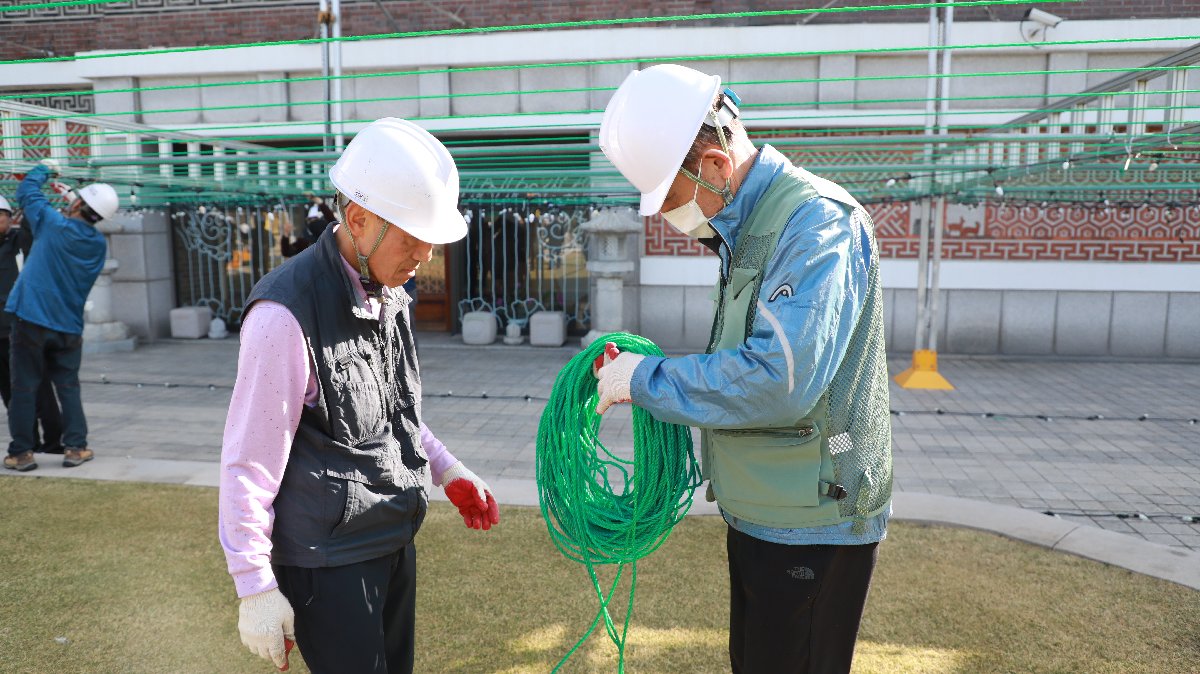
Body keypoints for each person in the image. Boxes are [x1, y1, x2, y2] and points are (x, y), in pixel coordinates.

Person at [594, 64, 893, 674]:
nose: (670, 219)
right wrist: (649, 370)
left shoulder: (815, 224)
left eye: (672, 202)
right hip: (767, 509)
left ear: (713, 165)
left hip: (813, 517)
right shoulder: (748, 226)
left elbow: (777, 379)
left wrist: (645, 380)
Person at [219, 117, 499, 674]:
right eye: (412, 237)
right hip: (328, 560)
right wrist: (254, 587)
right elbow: (248, 462)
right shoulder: (283, 317)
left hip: (389, 537)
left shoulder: (388, 291)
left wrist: (447, 468)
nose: (424, 255)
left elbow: (394, 412)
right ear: (358, 219)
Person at [3, 161, 114, 473]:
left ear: (79, 204)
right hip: (68, 329)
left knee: (24, 388)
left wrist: (42, 169)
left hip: (31, 321)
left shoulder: (51, 224)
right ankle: (76, 448)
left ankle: (22, 453)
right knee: (69, 388)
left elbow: (26, 191)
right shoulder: (97, 244)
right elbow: (81, 220)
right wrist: (72, 199)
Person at [0, 194, 64, 455]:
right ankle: (28, 440)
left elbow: (33, 224)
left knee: (39, 388)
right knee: (9, 393)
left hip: (23, 330)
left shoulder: (20, 241)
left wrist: (29, 192)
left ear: (10, 218)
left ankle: (53, 440)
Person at [280, 193, 335, 257]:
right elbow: (286, 252)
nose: (313, 221)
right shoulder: (305, 243)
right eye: (310, 219)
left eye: (314, 218)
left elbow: (331, 220)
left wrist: (286, 234)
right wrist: (286, 234)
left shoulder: (306, 243)